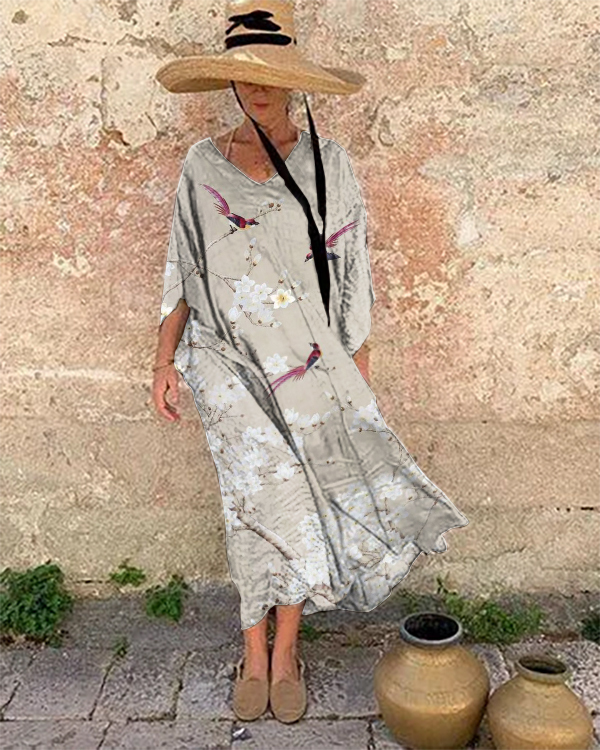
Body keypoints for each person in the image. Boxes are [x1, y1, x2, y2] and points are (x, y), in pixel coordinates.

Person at [152, 0, 470, 725]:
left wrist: (357, 371)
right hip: (225, 362)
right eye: (244, 76)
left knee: (296, 498)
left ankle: (286, 649)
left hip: (307, 363)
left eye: (271, 75)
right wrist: (163, 361)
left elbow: (353, 271)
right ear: (229, 81)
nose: (257, 89)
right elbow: (182, 266)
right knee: (250, 500)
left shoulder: (331, 165)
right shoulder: (201, 165)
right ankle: (252, 649)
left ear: (294, 80)